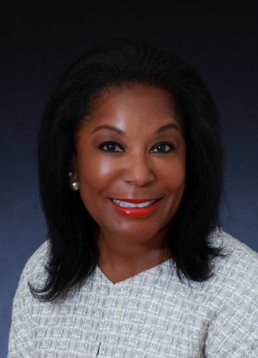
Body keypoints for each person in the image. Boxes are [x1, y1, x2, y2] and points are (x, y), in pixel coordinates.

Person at [8, 39, 258, 357]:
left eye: (162, 147)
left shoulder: (244, 289)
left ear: (190, 161)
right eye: (111, 146)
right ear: (71, 164)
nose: (139, 175)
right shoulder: (44, 269)